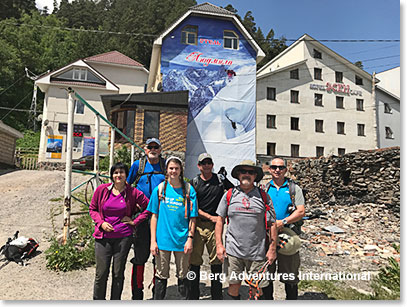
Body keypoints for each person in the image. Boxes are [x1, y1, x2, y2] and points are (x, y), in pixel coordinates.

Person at [215, 160, 277, 300]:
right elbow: (219, 220)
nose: (247, 175)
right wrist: (219, 245)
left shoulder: (264, 197)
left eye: (251, 172)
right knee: (233, 286)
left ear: (256, 176)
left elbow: (272, 224)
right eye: (243, 171)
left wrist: (272, 249)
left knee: (257, 290)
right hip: (233, 252)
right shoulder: (229, 195)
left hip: (257, 252)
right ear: (238, 174)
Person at [89, 162, 150, 300]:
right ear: (111, 175)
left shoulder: (133, 192)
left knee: (118, 273)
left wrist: (135, 221)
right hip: (103, 237)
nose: (118, 175)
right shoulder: (102, 190)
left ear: (126, 175)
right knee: (101, 273)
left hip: (123, 237)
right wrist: (101, 223)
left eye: (121, 172)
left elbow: (149, 207)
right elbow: (93, 209)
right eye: (115, 172)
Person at [148, 156, 198, 300]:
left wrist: (190, 239)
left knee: (183, 274)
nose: (173, 171)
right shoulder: (160, 189)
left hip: (182, 239)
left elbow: (192, 217)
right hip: (163, 240)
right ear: (166, 170)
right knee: (161, 274)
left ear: (181, 170)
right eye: (171, 168)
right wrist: (153, 241)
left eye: (176, 168)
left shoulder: (188, 190)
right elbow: (154, 216)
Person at [189, 153, 234, 300]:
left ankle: (216, 296)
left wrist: (225, 214)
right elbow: (192, 207)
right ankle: (193, 296)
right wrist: (211, 217)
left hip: (216, 227)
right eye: (203, 163)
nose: (206, 165)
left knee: (216, 261)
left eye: (209, 163)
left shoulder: (220, 180)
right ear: (199, 166)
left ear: (212, 164)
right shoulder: (194, 183)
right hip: (198, 226)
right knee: (194, 262)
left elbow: (233, 193)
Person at [127, 138, 165, 299]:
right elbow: (128, 187)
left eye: (156, 147)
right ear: (145, 149)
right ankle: (137, 294)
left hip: (161, 215)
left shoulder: (165, 165)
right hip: (142, 214)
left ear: (160, 149)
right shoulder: (138, 165)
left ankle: (157, 293)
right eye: (150, 147)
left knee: (159, 255)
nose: (153, 149)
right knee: (140, 256)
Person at [265, 157, 305, 300]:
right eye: (274, 167)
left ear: (285, 170)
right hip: (267, 237)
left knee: (290, 275)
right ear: (269, 169)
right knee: (266, 274)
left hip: (287, 236)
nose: (277, 170)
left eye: (281, 168)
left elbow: (301, 211)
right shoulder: (264, 189)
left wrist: (283, 222)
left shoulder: (294, 189)